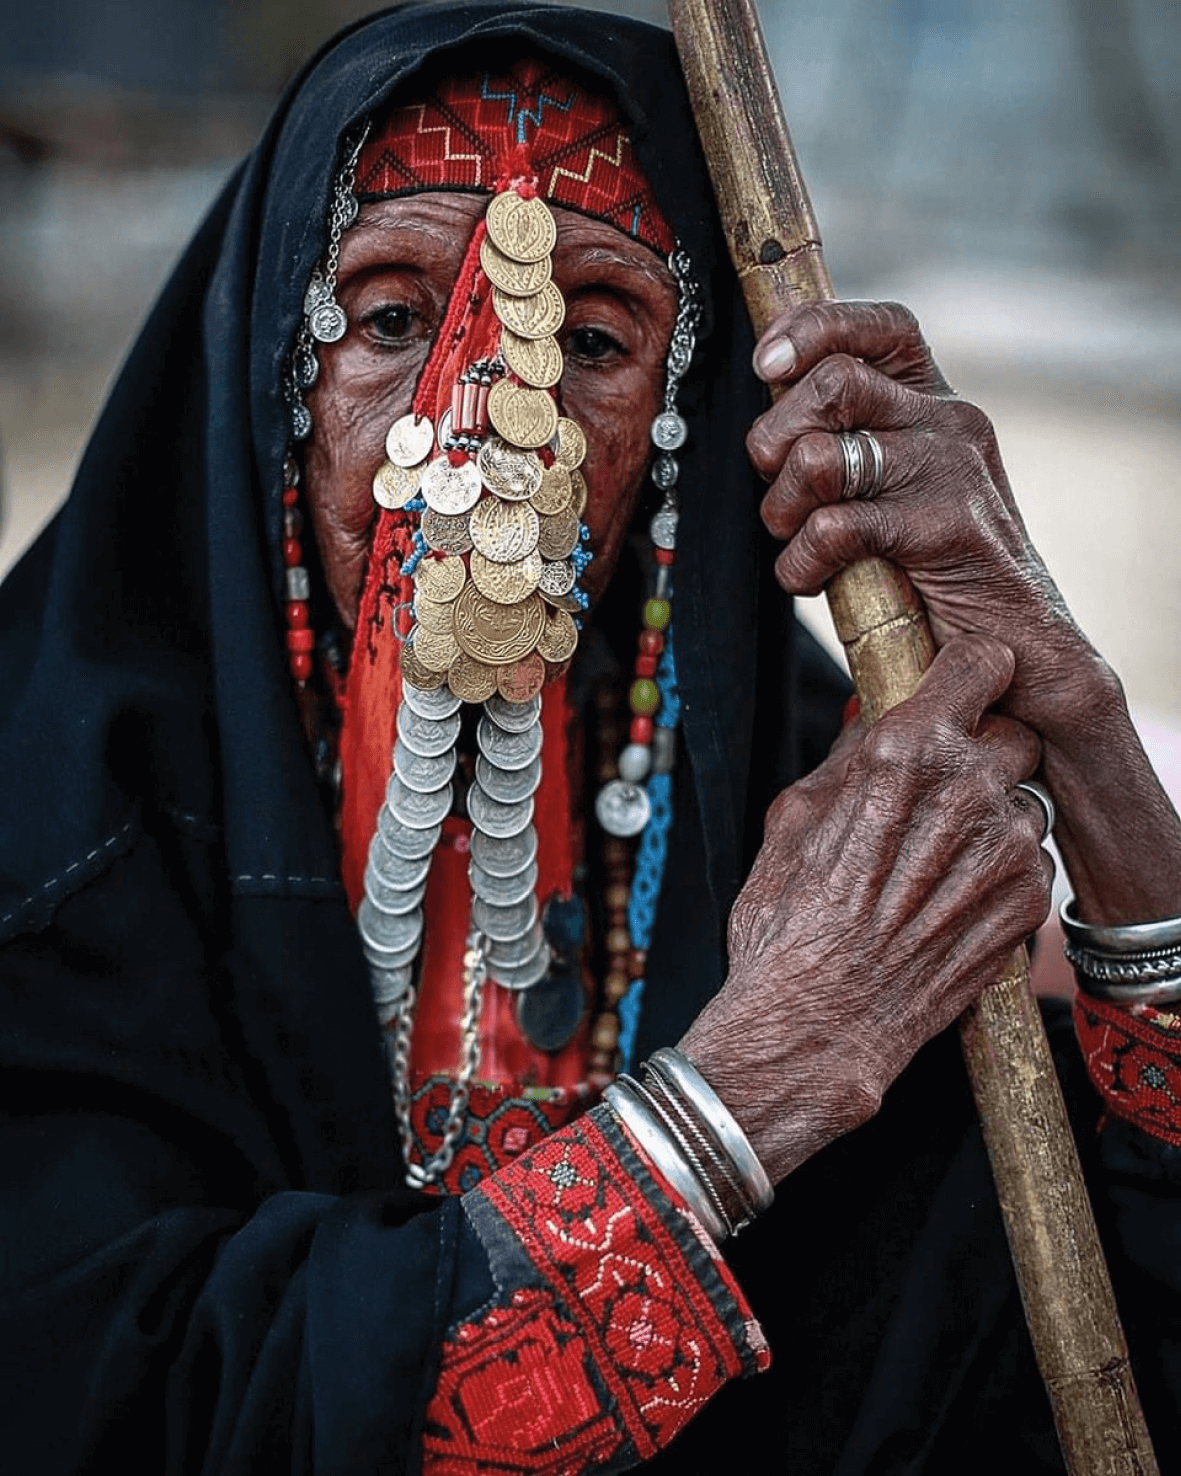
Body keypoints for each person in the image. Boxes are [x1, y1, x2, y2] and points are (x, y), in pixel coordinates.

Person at [2, 4, 1180, 1472]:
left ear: (674, 430)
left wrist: (1090, 744)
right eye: (386, 318)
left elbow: (1119, 1312)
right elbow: (101, 1403)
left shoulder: (818, 839)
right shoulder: (47, 832)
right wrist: (740, 1103)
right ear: (268, 381)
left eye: (595, 338)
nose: (489, 428)